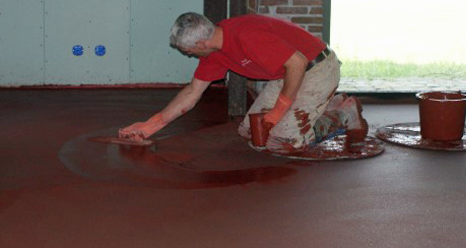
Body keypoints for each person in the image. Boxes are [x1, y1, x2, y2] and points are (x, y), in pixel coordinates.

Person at [118, 12, 368, 151]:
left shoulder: (247, 35)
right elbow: (193, 92)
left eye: (189, 51)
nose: (189, 55)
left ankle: (343, 114)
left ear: (201, 43)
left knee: (284, 142)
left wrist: (279, 110)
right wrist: (150, 125)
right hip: (288, 73)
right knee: (251, 133)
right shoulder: (214, 52)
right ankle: (322, 108)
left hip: (317, 68)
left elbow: (297, 62)